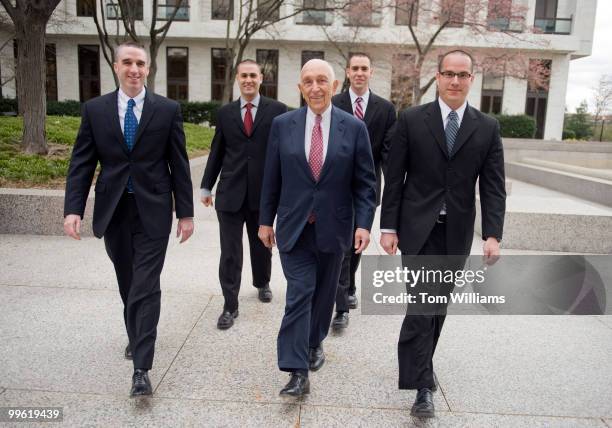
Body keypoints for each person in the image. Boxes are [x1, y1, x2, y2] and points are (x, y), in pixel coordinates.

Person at [63, 42, 194, 397]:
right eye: (128, 63)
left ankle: (141, 368)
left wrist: (186, 213)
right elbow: (82, 163)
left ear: (148, 69)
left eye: (140, 63)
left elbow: (179, 164)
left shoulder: (166, 110)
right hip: (115, 210)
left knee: (146, 285)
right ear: (116, 66)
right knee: (127, 282)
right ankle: (136, 333)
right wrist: (73, 209)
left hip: (153, 211)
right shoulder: (95, 110)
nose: (134, 69)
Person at [380, 50, 506, 418]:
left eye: (462, 74)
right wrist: (388, 227)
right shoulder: (412, 119)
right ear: (437, 77)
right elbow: (395, 178)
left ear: (471, 79)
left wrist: (493, 234)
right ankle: (421, 386)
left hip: (456, 233)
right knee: (421, 305)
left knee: (438, 307)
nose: (454, 81)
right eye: (448, 74)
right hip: (417, 230)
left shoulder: (487, 127)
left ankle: (422, 367)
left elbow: (493, 186)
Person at [258, 59, 376, 397]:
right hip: (294, 227)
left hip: (335, 226)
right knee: (299, 293)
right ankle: (296, 371)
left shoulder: (354, 128)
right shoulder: (283, 125)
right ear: (299, 88)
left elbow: (365, 183)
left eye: (321, 80)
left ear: (334, 85)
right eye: (308, 81)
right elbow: (271, 177)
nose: (315, 88)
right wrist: (266, 221)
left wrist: (364, 224)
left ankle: (314, 343)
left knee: (324, 296)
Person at [200, 60, 287, 330]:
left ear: (261, 78)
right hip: (230, 193)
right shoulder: (225, 113)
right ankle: (230, 304)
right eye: (244, 76)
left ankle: (262, 282)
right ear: (237, 79)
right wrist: (206, 185)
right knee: (230, 251)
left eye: (253, 75)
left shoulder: (278, 111)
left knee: (262, 245)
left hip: (263, 193)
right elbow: (217, 151)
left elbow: (285, 153)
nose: (248, 80)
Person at [330, 52, 396, 330]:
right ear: (347, 72)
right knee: (345, 245)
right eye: (354, 68)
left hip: (367, 188)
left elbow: (390, 152)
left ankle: (350, 284)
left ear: (371, 72)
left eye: (364, 68)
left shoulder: (386, 108)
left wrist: (397, 185)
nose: (359, 73)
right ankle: (342, 305)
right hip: (337, 186)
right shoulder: (334, 103)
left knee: (357, 243)